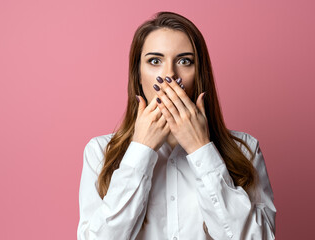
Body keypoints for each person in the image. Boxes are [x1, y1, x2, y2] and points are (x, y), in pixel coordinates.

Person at [77, 11, 276, 240]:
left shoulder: (245, 149)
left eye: (184, 61)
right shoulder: (100, 152)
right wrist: (140, 151)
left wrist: (201, 149)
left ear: (200, 74)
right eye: (155, 61)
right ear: (138, 76)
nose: (170, 75)